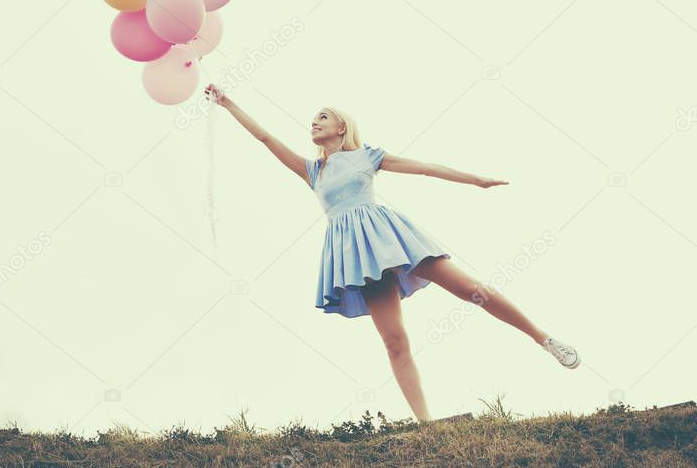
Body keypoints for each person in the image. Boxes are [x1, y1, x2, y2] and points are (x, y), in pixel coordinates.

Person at [203, 83, 580, 422]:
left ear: (342, 127)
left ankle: (543, 339)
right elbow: (266, 138)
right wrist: (228, 103)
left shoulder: (367, 156)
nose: (313, 123)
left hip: (389, 236)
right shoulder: (312, 171)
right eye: (312, 119)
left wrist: (475, 179)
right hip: (354, 254)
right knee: (394, 340)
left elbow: (425, 168)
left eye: (322, 117)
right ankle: (426, 423)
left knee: (471, 289)